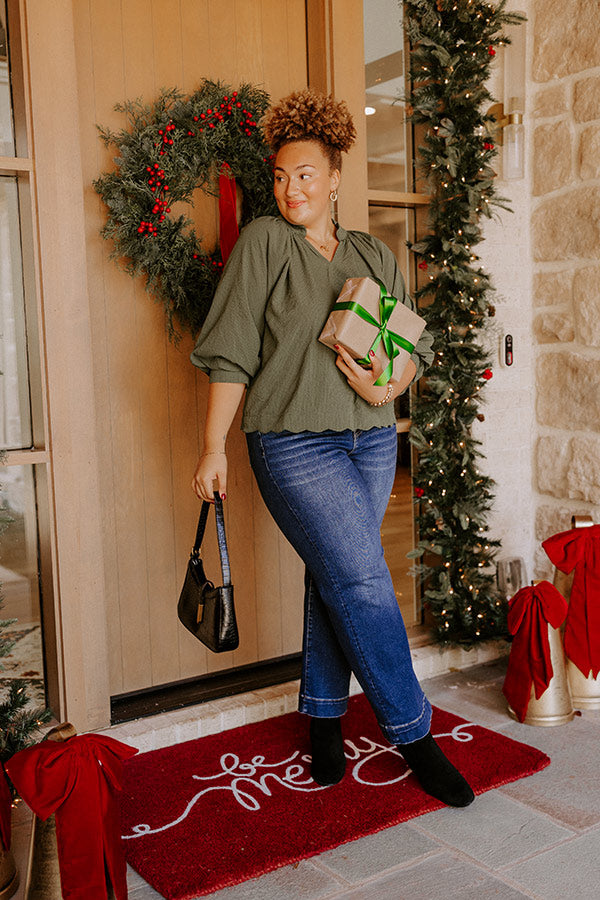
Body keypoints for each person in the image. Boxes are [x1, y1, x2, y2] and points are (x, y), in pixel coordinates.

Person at [190, 89, 474, 808]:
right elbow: (230, 356)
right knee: (363, 581)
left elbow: (411, 346)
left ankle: (322, 720)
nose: (291, 189)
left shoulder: (373, 254)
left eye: (306, 175)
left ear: (335, 177)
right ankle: (414, 733)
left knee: (336, 576)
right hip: (292, 443)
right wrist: (213, 447)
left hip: (373, 442)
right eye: (281, 176)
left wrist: (391, 387)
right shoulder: (263, 244)